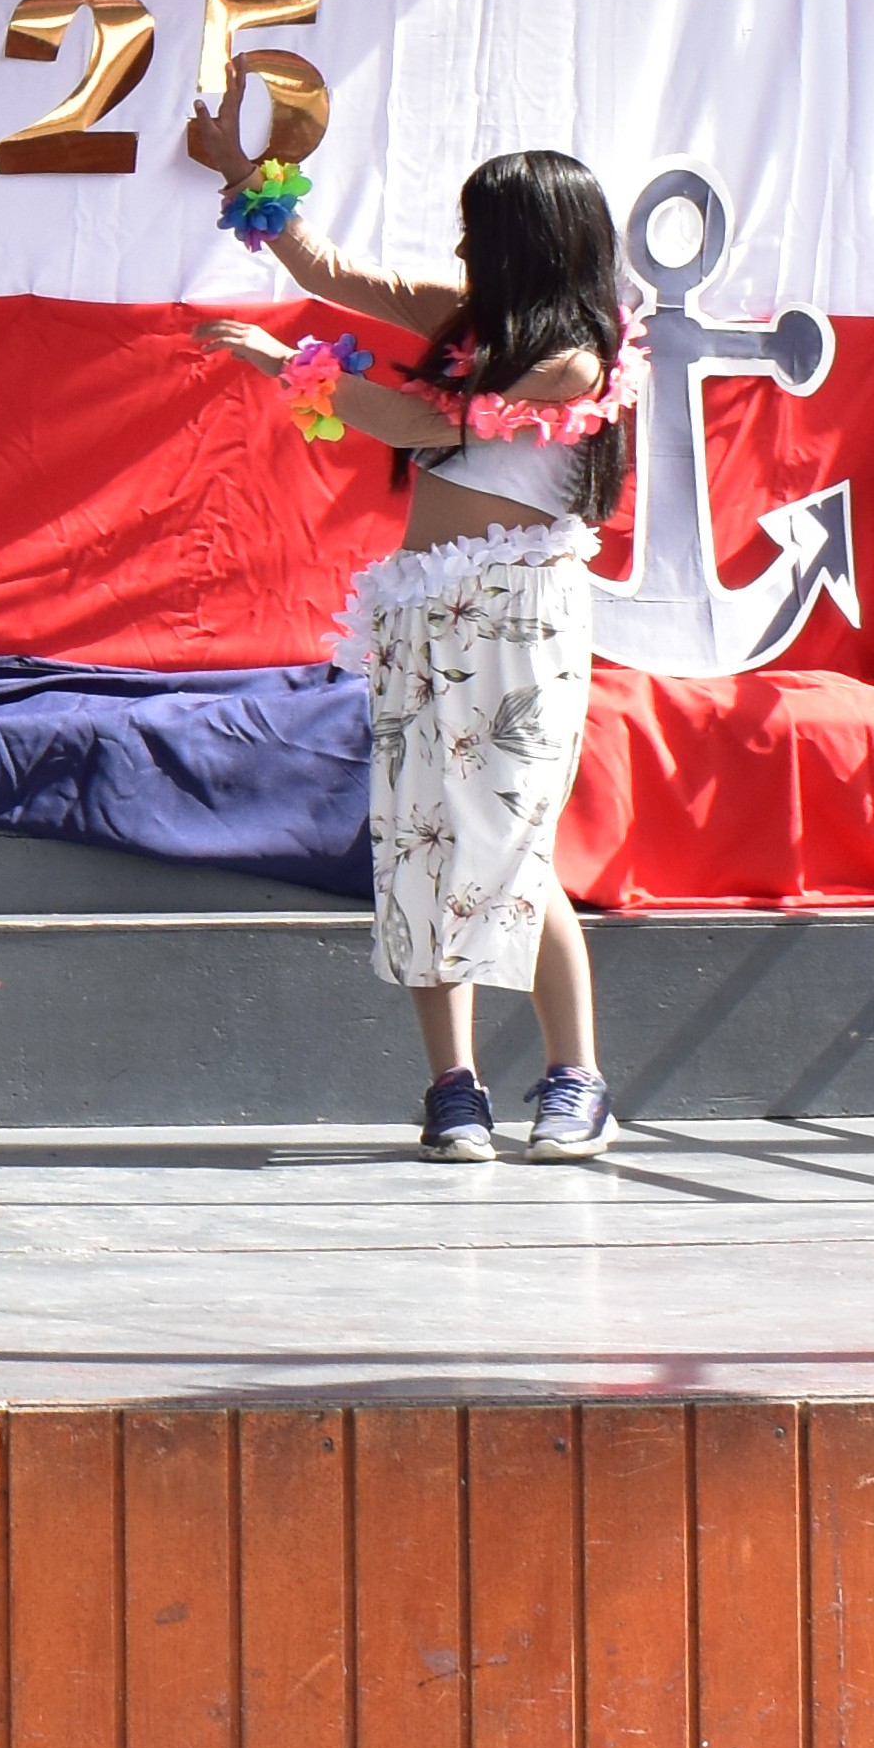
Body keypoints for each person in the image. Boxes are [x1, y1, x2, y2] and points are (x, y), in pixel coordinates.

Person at [183, 105, 642, 1162]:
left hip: (517, 616)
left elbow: (416, 421)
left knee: (512, 841)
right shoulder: (464, 322)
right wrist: (239, 169)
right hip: (421, 611)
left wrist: (282, 361)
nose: (461, 247)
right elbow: (331, 269)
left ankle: (576, 1078)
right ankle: (453, 1089)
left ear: (533, 239)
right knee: (421, 842)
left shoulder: (570, 359)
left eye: (481, 230)